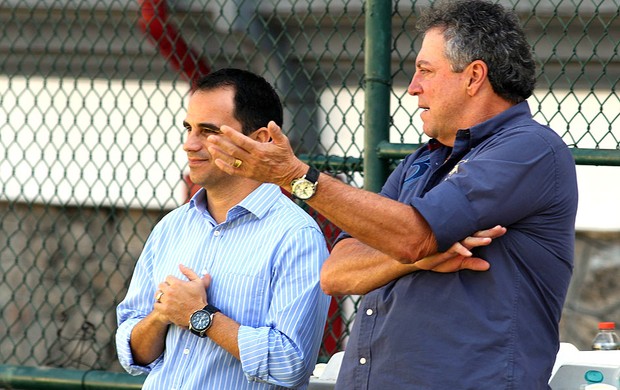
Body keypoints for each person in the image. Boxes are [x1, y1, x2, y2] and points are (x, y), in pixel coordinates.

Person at [204, 0, 579, 388]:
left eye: (425, 71)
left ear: (474, 77)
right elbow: (338, 272)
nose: (413, 87)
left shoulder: (529, 148)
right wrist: (414, 260)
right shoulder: (423, 160)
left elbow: (413, 235)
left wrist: (296, 174)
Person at [115, 68, 332, 389]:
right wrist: (162, 315)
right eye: (188, 128)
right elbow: (131, 352)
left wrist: (201, 317)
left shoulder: (296, 237)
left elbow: (291, 364)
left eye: (208, 131)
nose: (190, 144)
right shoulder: (171, 228)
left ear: (259, 141)